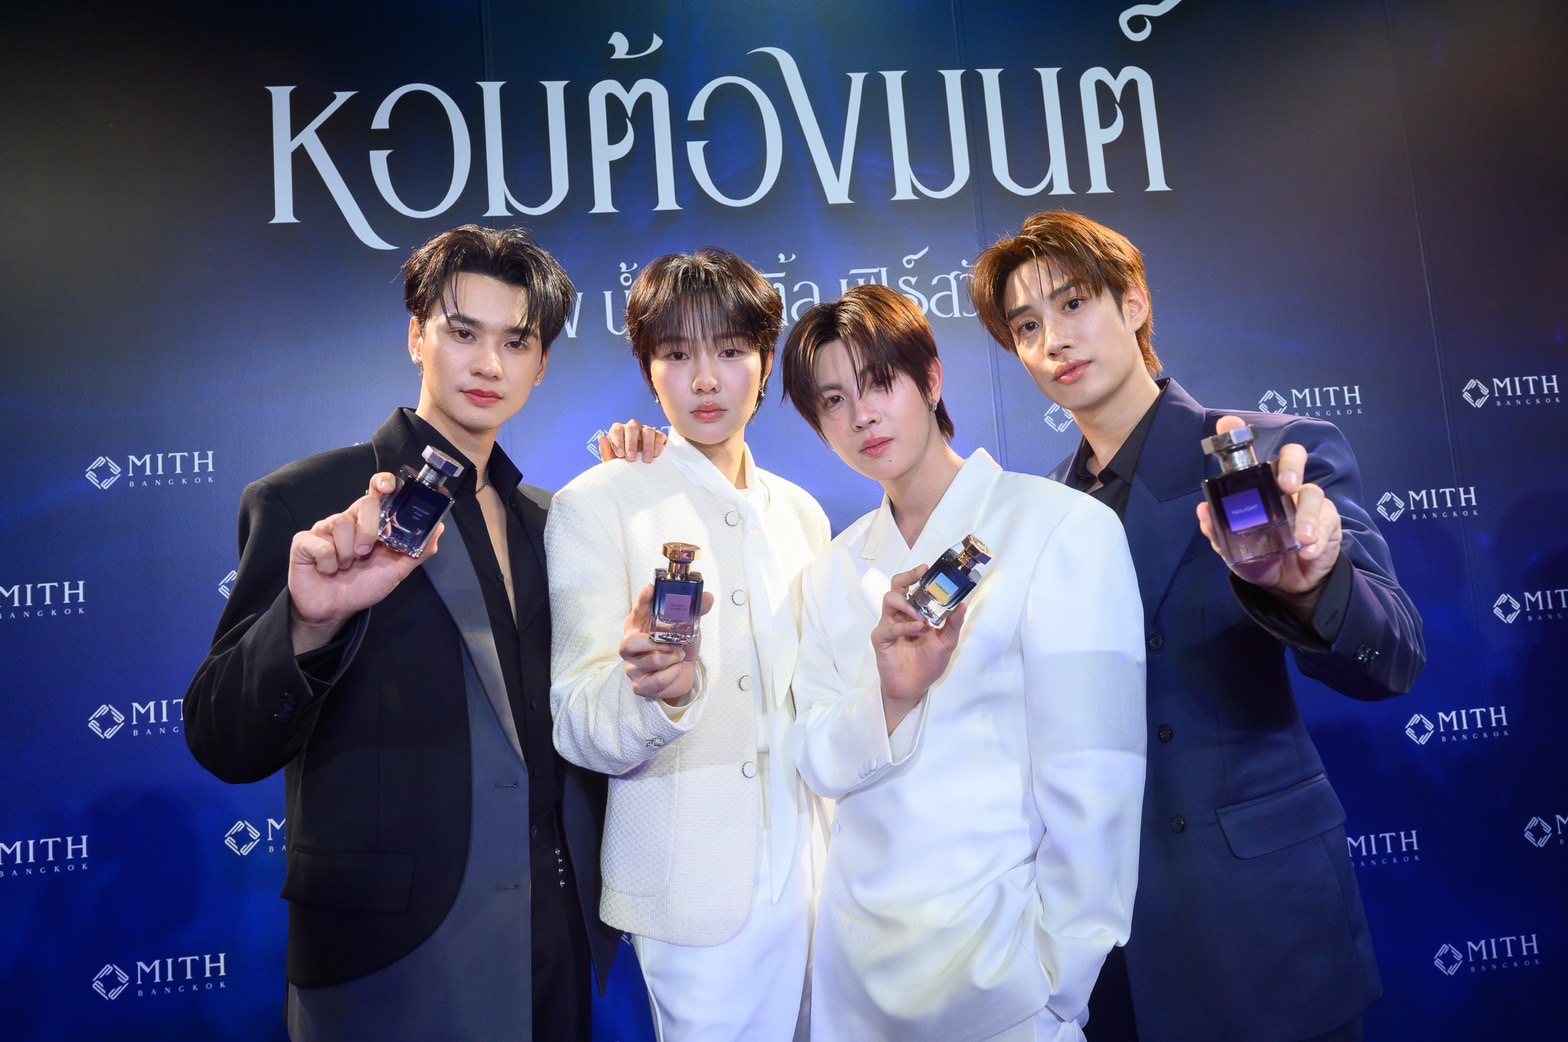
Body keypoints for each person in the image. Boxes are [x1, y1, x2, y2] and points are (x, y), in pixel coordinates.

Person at [969, 210, 1427, 1042]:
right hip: (1098, 943)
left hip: (1255, 929)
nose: (1053, 341)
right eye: (1026, 326)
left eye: (1073, 304)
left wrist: (1309, 586)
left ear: (1134, 302)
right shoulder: (1039, 514)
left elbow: (1393, 658)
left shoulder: (1274, 454)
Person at [183, 225, 647, 1041]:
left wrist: (647, 486)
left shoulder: (557, 521)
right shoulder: (308, 500)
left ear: (542, 364)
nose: (488, 364)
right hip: (389, 956)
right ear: (416, 337)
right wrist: (308, 620)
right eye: (463, 333)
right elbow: (224, 739)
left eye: (516, 342)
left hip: (555, 937)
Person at [778, 284, 1147, 1042]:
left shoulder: (1059, 527)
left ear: (932, 379)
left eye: (880, 382)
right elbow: (816, 760)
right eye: (833, 401)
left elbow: (1096, 778)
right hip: (859, 981)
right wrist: (891, 698)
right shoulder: (827, 575)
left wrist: (1058, 979)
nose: (862, 416)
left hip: (1009, 981)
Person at [546, 247, 831, 1041]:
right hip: (693, 887)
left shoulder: (802, 513)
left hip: (821, 874)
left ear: (766, 361)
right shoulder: (598, 503)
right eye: (677, 354)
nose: (706, 380)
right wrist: (657, 693)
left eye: (731, 351)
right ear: (649, 370)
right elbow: (576, 720)